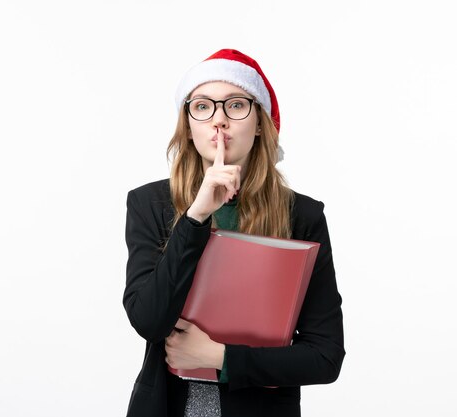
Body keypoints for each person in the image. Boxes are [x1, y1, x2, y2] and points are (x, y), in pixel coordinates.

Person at [123, 49, 345, 417]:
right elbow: (148, 320)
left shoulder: (302, 215)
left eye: (236, 105)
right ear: (189, 124)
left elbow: (325, 356)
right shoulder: (150, 203)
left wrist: (219, 357)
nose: (219, 121)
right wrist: (196, 216)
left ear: (259, 123)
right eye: (203, 107)